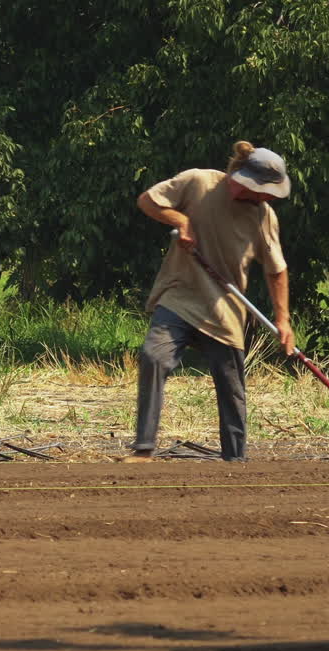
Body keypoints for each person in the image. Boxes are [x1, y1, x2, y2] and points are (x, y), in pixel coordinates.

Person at [123, 141, 295, 463]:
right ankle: (144, 448)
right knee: (153, 357)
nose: (269, 197)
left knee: (231, 387)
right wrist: (181, 221)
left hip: (225, 308)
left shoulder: (264, 217)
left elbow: (277, 271)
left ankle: (235, 460)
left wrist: (283, 319)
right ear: (244, 180)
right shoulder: (199, 182)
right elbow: (148, 201)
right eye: (265, 189)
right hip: (181, 294)